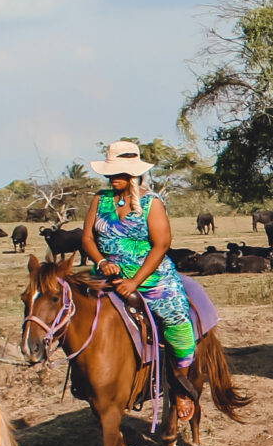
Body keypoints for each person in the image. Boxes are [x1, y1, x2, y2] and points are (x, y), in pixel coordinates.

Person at [79, 140, 197, 368]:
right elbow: (87, 238)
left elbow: (161, 245)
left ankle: (183, 384)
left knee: (176, 319)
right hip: (107, 273)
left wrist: (134, 282)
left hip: (150, 278)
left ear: (133, 174)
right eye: (110, 172)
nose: (113, 177)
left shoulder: (151, 203)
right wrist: (102, 262)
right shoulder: (99, 199)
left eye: (119, 172)